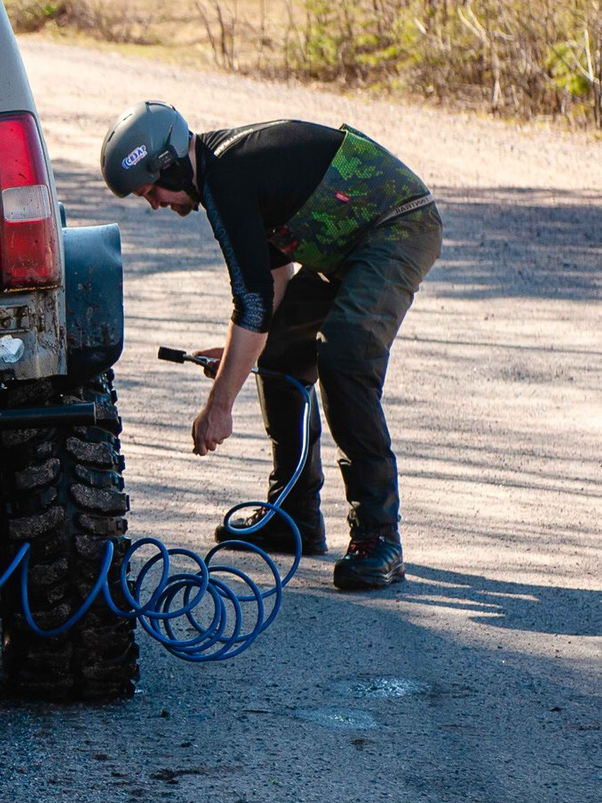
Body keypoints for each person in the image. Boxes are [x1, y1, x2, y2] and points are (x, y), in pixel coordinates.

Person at [98, 102, 440, 592]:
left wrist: (219, 405)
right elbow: (273, 282)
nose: (155, 203)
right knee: (280, 354)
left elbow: (253, 301)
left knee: (345, 355)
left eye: (152, 190)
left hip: (397, 225)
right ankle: (294, 514)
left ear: (171, 164)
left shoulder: (226, 176)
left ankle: (378, 535)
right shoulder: (224, 171)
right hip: (351, 244)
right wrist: (240, 355)